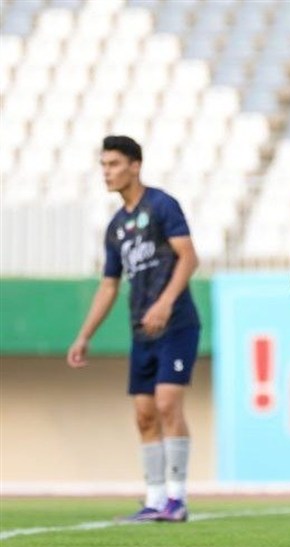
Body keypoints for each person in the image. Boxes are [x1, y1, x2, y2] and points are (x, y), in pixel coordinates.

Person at [67, 135, 200, 523]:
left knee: (167, 404)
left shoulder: (162, 205)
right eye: (103, 165)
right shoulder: (116, 227)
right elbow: (109, 285)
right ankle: (155, 499)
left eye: (113, 164)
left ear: (135, 165)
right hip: (142, 331)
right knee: (144, 415)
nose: (106, 172)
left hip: (176, 325)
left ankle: (177, 498)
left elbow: (189, 257)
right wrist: (84, 335)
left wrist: (165, 302)